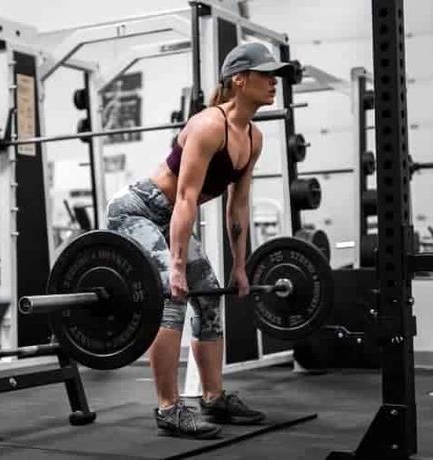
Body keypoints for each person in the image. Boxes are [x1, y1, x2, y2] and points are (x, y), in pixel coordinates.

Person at [106, 42, 296, 439]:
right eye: (266, 74)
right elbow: (187, 197)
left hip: (171, 215)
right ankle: (169, 408)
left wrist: (240, 266)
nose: (273, 82)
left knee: (208, 294)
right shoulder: (210, 125)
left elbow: (237, 208)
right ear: (239, 80)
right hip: (138, 211)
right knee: (171, 299)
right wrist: (175, 268)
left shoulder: (253, 137)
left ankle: (213, 397)